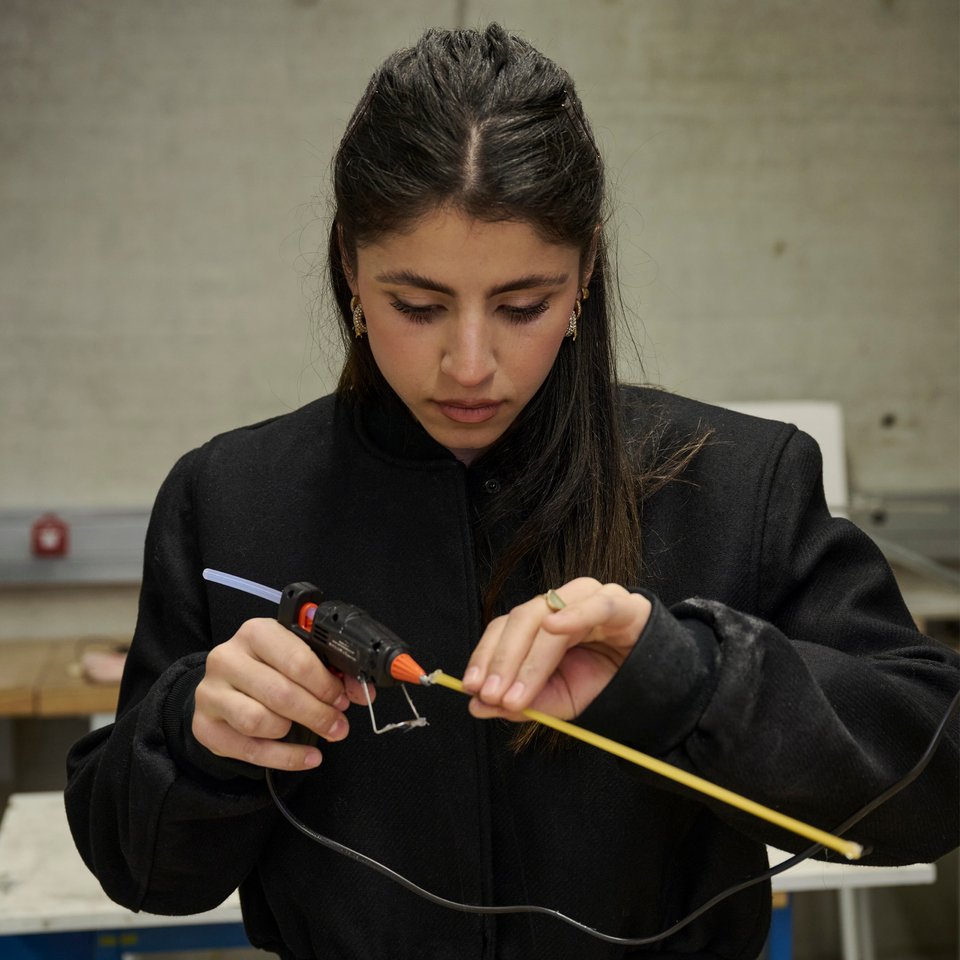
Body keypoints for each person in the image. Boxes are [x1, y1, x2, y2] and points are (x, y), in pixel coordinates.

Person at [65, 23, 958, 960]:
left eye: (524, 305)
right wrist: (196, 735)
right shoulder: (231, 500)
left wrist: (688, 674)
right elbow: (139, 872)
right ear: (349, 269)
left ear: (583, 278)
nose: (470, 364)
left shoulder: (736, 483)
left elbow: (932, 782)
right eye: (417, 306)